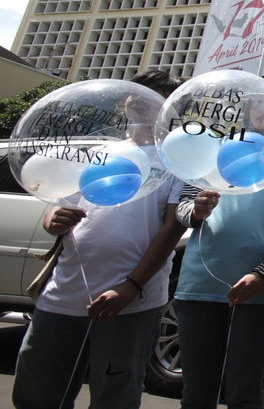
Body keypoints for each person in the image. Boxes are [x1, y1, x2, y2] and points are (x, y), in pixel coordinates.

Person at [13, 70, 186, 409]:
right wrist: (53, 219)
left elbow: (171, 228)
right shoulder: (98, 150)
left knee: (115, 395)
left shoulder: (175, 163)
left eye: (150, 96)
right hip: (63, 294)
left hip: (132, 303)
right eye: (134, 93)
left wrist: (130, 287)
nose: (138, 101)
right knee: (37, 390)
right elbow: (60, 205)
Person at [173, 76, 264, 409]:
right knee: (196, 393)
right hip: (199, 285)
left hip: (261, 290)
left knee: (244, 391)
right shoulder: (214, 144)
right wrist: (196, 210)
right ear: (247, 105)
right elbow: (183, 207)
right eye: (259, 101)